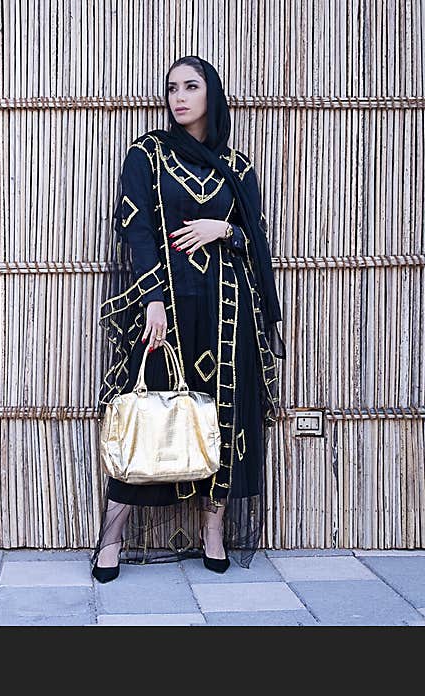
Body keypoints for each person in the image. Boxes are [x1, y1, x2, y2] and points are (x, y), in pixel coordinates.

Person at [91, 55, 286, 583]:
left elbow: (256, 241)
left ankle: (214, 531)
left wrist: (221, 232)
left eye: (191, 86)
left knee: (222, 420)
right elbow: (136, 228)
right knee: (150, 415)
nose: (179, 96)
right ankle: (113, 537)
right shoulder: (147, 154)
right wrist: (151, 299)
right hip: (167, 308)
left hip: (227, 312)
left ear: (211, 95)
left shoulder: (237, 167)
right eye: (173, 87)